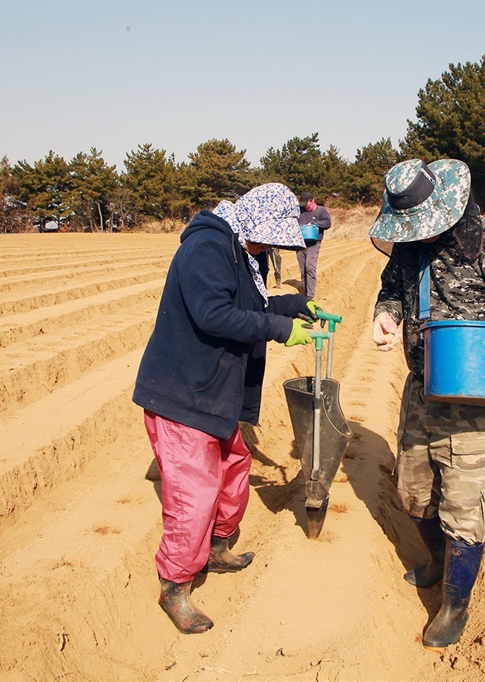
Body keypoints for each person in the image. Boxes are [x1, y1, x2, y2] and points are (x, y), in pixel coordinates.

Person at [368, 158, 485, 648]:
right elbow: (391, 291)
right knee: (416, 490)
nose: (418, 234)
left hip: (474, 398)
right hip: (421, 391)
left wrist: (469, 347)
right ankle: (439, 564)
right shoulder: (406, 248)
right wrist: (387, 316)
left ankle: (455, 604)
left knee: (468, 502)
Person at [133, 182, 319, 634]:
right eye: (268, 238)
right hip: (182, 391)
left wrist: (298, 305)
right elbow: (213, 314)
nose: (269, 248)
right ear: (251, 224)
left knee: (235, 465)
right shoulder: (207, 247)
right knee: (192, 494)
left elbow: (248, 303)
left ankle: (215, 548)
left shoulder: (241, 249)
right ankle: (174, 585)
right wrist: (280, 328)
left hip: (212, 389)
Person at [295, 191, 331, 299]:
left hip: (314, 243)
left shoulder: (321, 210)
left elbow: (328, 223)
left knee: (309, 267)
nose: (304, 206)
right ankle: (305, 293)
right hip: (300, 243)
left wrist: (316, 224)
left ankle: (310, 296)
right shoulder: (299, 211)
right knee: (303, 270)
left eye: (306, 204)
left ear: (311, 200)